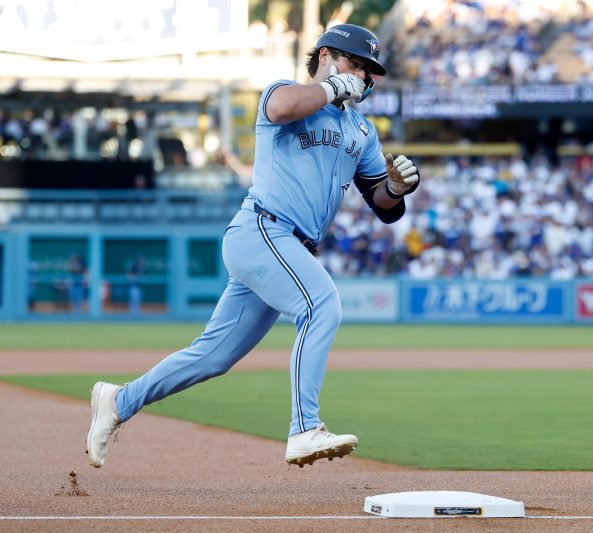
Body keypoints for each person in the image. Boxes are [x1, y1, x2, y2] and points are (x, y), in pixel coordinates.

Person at [86, 23, 420, 469]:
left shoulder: (361, 129)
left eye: (366, 69)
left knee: (213, 355)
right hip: (263, 228)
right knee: (321, 306)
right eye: (353, 63)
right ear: (325, 56)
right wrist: (330, 87)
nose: (361, 75)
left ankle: (118, 401)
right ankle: (305, 427)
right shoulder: (284, 92)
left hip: (289, 248)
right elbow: (283, 107)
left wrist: (396, 188)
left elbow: (382, 204)